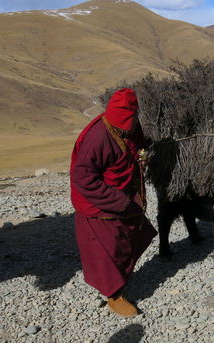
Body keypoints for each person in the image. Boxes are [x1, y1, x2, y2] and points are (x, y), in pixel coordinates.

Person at [70, 88, 157, 317]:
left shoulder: (128, 129)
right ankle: (114, 295)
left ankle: (122, 279)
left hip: (122, 197)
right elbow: (83, 178)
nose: (133, 123)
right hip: (99, 206)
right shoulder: (98, 138)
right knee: (107, 251)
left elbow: (137, 146)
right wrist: (119, 201)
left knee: (128, 240)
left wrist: (142, 156)